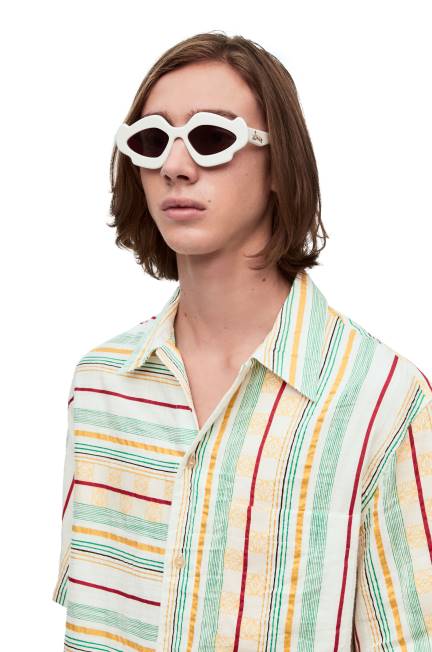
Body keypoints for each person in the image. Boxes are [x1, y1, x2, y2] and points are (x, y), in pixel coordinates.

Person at [52, 31, 432, 651]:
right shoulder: (100, 386)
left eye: (210, 137)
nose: (175, 166)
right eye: (151, 140)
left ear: (280, 165)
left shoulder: (382, 401)